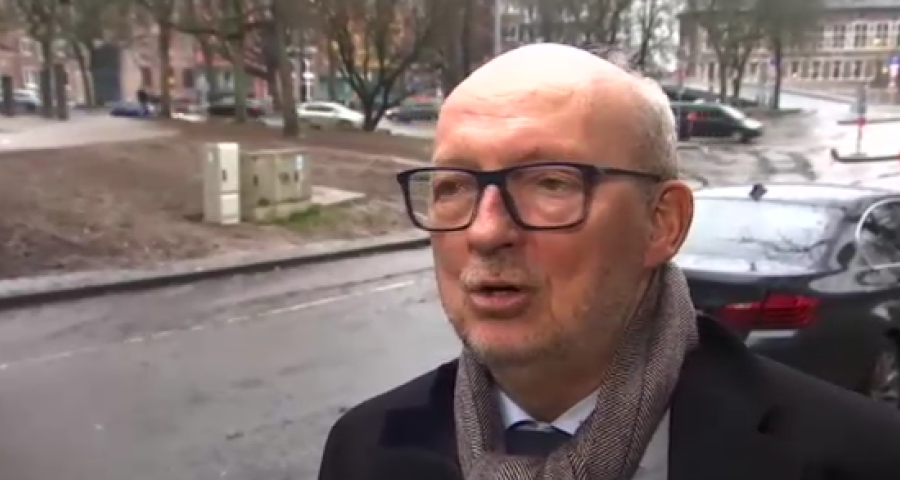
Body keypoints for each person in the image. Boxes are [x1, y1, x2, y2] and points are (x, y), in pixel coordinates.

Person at [318, 44, 900, 480]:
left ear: (662, 223)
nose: (486, 231)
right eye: (453, 186)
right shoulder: (363, 449)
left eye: (551, 182)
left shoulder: (863, 457)